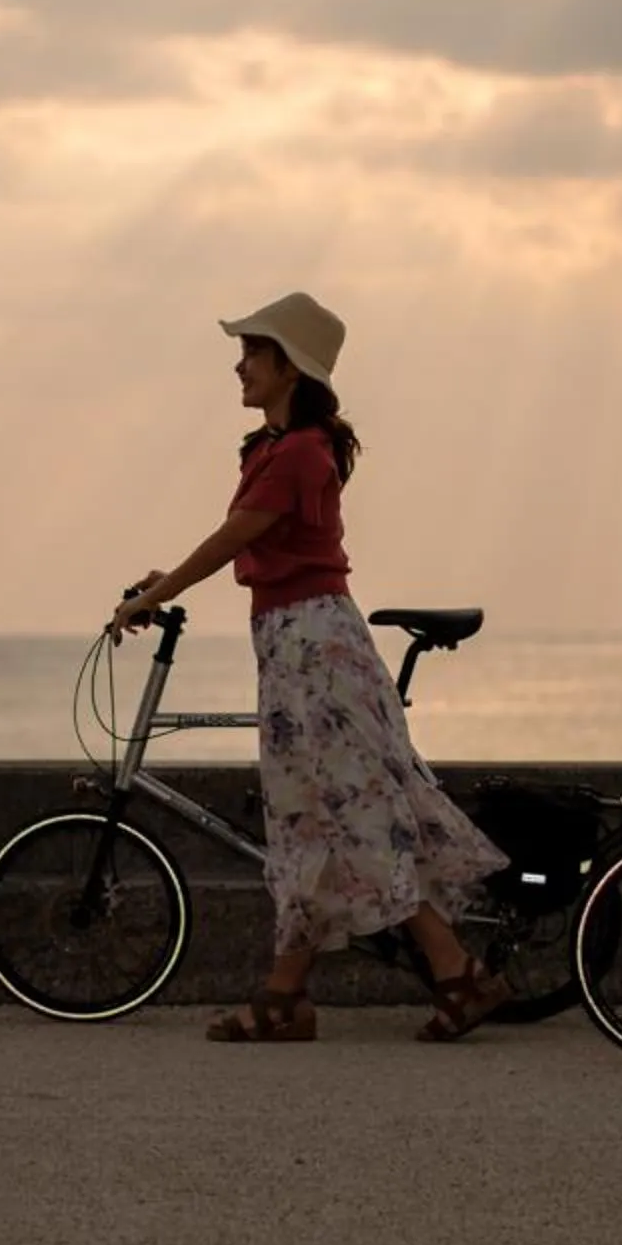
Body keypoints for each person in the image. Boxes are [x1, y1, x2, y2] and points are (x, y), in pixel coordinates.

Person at [112, 292, 511, 1044]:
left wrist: (158, 595)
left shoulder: (298, 451)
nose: (239, 364)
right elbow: (255, 541)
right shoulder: (276, 448)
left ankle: (457, 972)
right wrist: (166, 582)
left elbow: (235, 537)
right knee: (304, 821)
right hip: (293, 643)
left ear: (288, 366)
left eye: (252, 352)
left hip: (315, 650)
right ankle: (286, 995)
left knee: (351, 817)